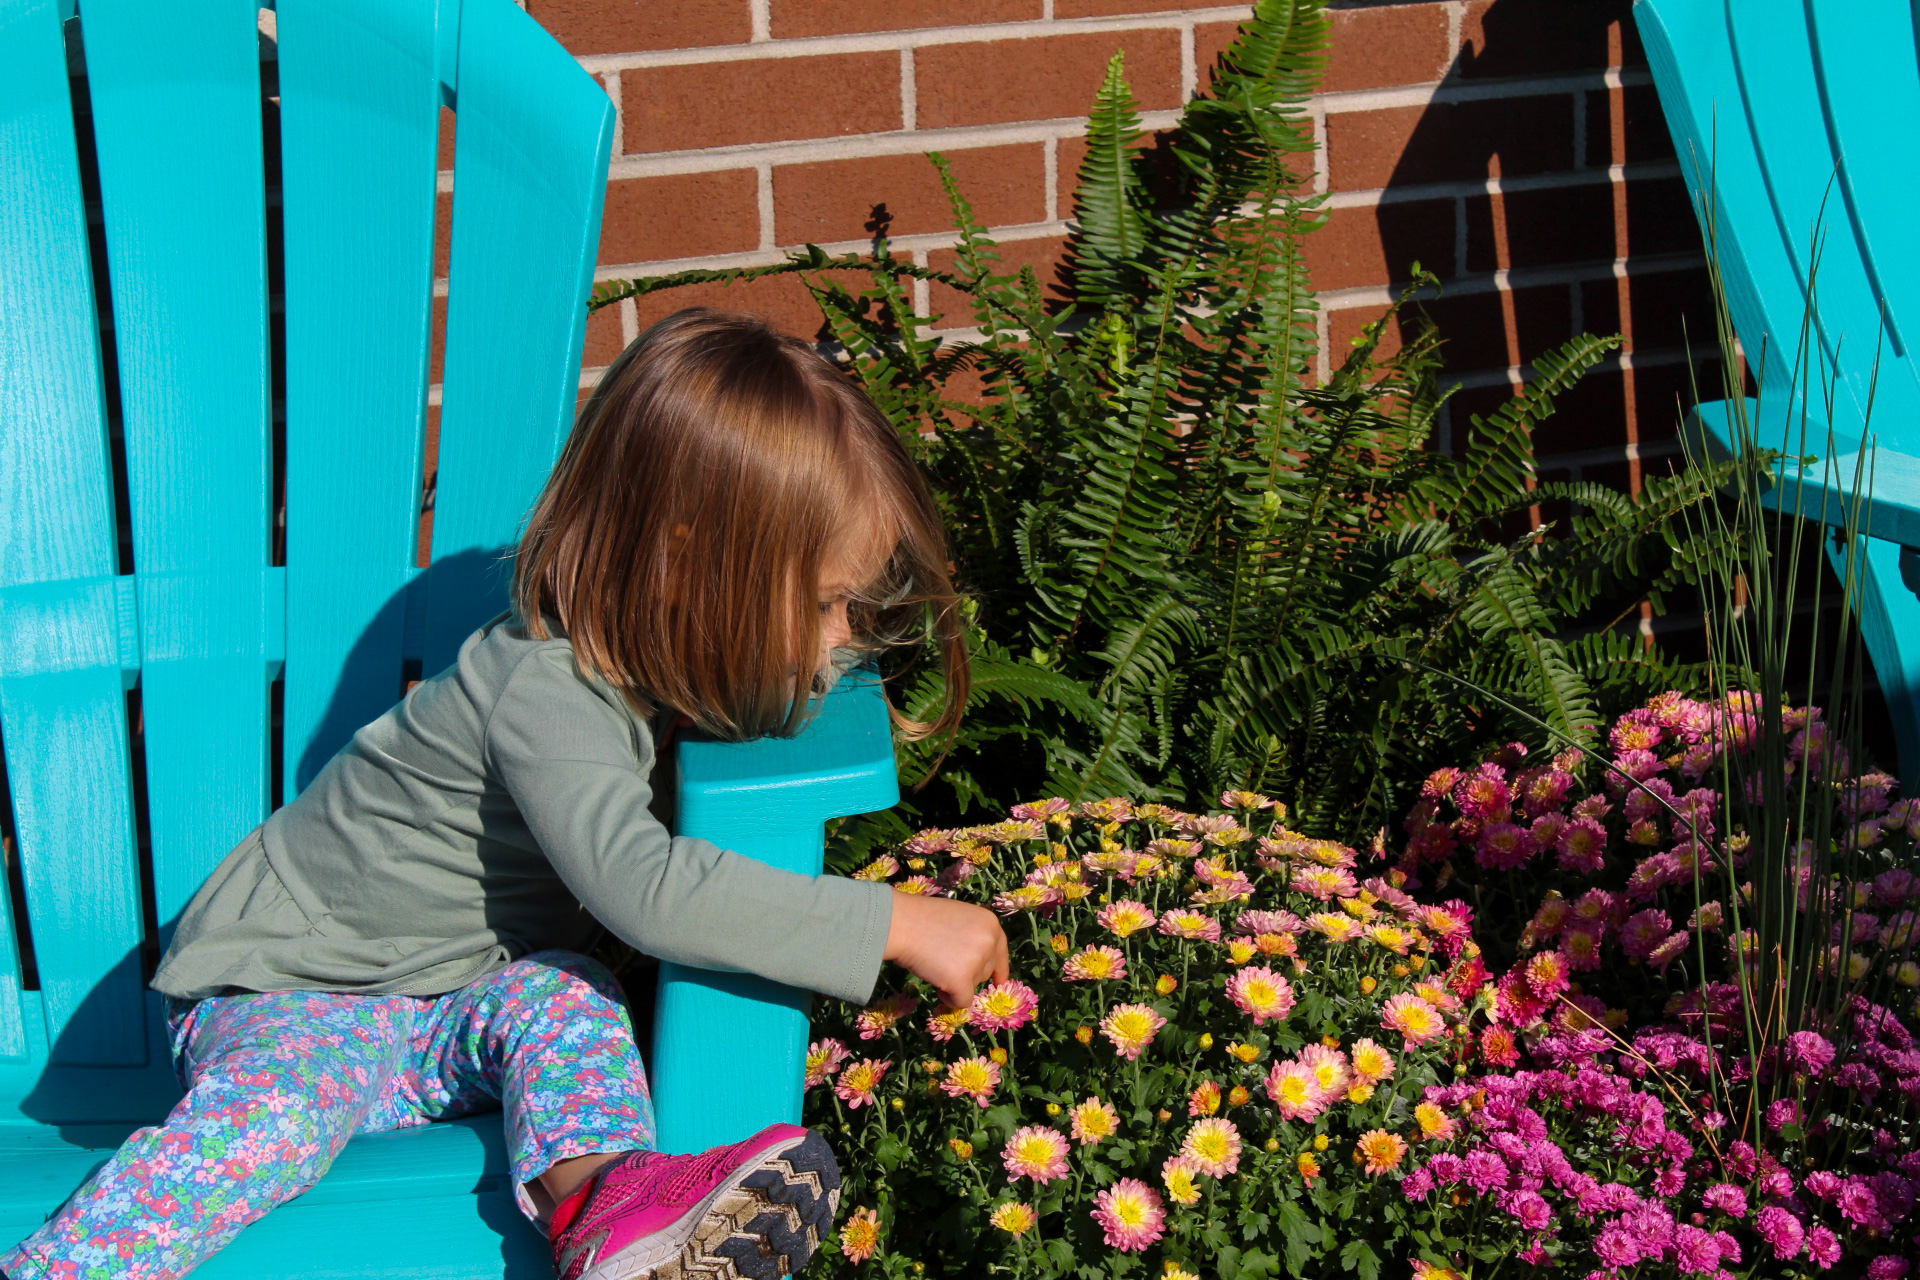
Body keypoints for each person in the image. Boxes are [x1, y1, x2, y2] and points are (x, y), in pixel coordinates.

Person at [1, 309, 1009, 1280]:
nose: (848, 635)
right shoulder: (550, 690)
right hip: (291, 991)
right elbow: (648, 890)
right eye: (833, 603)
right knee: (283, 1114)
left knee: (566, 990)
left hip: (436, 1006)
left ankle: (604, 1208)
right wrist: (888, 921)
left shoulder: (647, 674)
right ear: (693, 563)